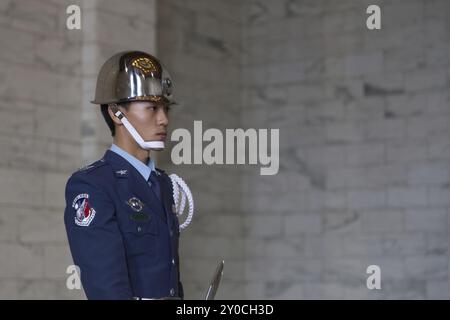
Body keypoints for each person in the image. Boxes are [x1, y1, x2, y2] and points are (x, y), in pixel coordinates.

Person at [64, 51, 183, 300]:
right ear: (116, 113)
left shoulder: (162, 183)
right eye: (152, 108)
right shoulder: (92, 185)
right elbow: (107, 290)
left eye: (165, 108)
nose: (164, 120)